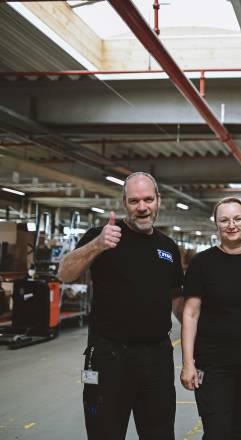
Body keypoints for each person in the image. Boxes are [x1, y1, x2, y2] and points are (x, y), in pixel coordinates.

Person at [58, 172, 184, 440]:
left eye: (148, 199)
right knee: (105, 432)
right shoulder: (102, 236)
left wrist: (201, 333)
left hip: (157, 359)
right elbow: (64, 273)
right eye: (134, 200)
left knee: (160, 433)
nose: (142, 207)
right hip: (109, 357)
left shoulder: (168, 247)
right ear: (124, 202)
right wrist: (96, 245)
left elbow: (175, 300)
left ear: (158, 200)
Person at [180, 197, 241, 439]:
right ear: (216, 224)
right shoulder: (202, 263)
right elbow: (190, 314)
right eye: (224, 220)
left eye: (237, 219)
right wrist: (188, 363)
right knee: (217, 430)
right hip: (214, 364)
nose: (231, 225)